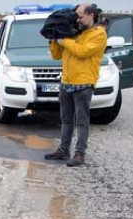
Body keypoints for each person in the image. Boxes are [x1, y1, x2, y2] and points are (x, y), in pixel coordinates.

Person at [44, 3, 106, 167]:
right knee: (66, 120)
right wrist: (54, 39)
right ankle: (64, 150)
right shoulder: (72, 33)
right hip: (66, 82)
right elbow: (56, 55)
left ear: (91, 15)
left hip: (83, 84)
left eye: (80, 16)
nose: (76, 19)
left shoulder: (98, 34)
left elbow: (82, 51)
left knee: (82, 121)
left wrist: (63, 40)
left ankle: (80, 154)